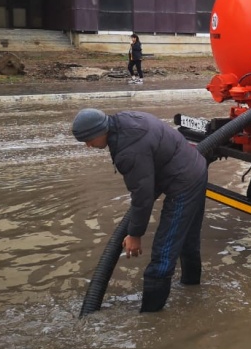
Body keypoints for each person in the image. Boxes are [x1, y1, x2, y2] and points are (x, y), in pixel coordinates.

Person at [72, 108, 208, 312]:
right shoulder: (124, 120)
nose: (88, 145)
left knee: (163, 251)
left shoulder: (128, 151)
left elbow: (142, 196)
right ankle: (192, 290)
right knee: (187, 241)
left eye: (89, 139)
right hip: (195, 166)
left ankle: (150, 319)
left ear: (101, 131)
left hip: (184, 182)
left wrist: (135, 234)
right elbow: (147, 179)